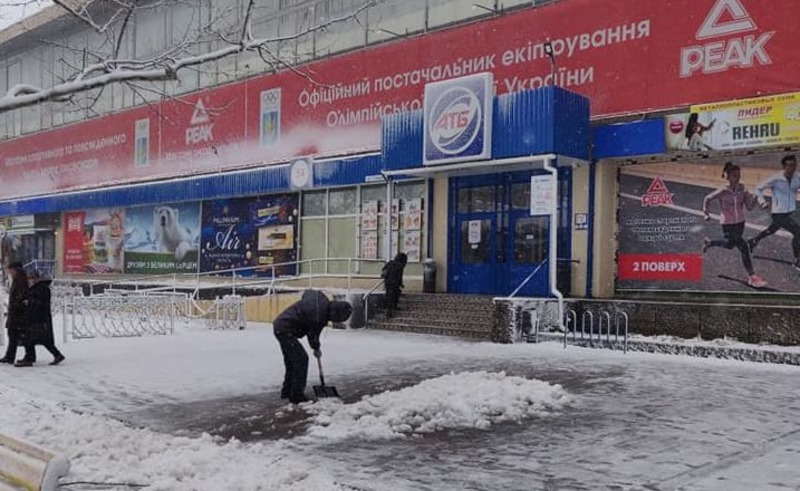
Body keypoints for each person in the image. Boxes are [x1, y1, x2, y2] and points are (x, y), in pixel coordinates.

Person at [272, 289, 352, 404]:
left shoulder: (321, 304)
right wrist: (316, 348)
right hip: (286, 329)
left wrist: (316, 346)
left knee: (292, 361)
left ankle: (287, 391)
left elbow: (313, 331)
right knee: (301, 360)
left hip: (281, 325)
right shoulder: (319, 314)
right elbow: (313, 334)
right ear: (335, 313)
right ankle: (296, 395)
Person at [701, 162, 766, 288]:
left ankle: (710, 243)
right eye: (734, 175)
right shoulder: (723, 191)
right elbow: (707, 198)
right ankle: (752, 277)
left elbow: (750, 207)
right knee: (743, 246)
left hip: (740, 223)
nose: (737, 177)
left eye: (739, 175)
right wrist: (706, 212)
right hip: (728, 223)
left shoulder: (743, 190)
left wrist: (756, 199)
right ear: (728, 176)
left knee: (730, 244)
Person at [748, 155, 800, 270]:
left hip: (790, 211)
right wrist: (762, 202)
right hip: (778, 212)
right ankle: (797, 261)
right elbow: (758, 188)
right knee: (798, 232)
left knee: (772, 230)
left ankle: (752, 241)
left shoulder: (797, 177)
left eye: (795, 165)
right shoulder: (776, 179)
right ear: (784, 166)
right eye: (790, 165)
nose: (793, 168)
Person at [15, 270, 64, 367]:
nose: (30, 280)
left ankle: (30, 358)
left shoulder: (41, 288)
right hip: (35, 317)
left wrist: (29, 302)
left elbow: (40, 303)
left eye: (32, 278)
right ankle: (31, 357)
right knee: (36, 338)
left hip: (37, 318)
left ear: (37, 278)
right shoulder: (37, 288)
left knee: (33, 338)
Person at [0, 262, 28, 365]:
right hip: (15, 311)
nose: (9, 272)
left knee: (15, 334)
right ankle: (9, 356)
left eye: (10, 270)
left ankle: (24, 356)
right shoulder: (18, 278)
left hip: (17, 312)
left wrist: (16, 305)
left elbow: (20, 295)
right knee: (12, 334)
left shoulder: (20, 279)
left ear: (14, 269)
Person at [381, 252, 407, 318]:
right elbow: (399, 276)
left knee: (389, 295)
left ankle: (389, 310)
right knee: (395, 295)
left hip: (387, 282)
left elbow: (383, 270)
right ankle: (390, 311)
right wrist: (401, 284)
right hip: (394, 282)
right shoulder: (400, 265)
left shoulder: (390, 263)